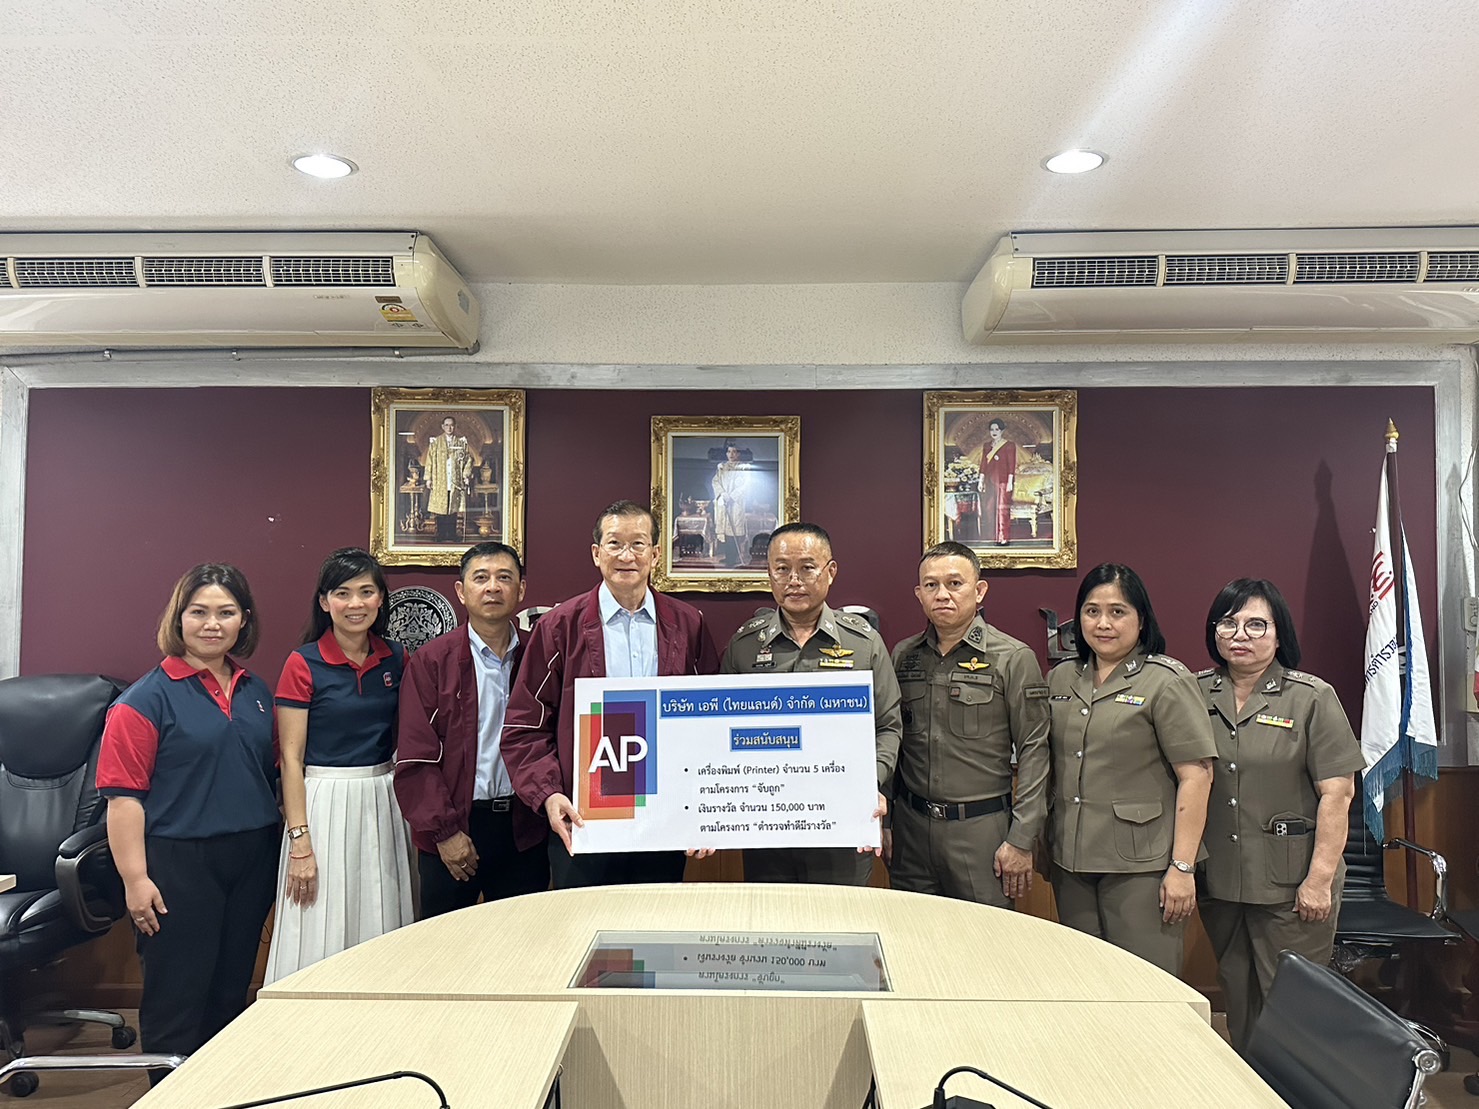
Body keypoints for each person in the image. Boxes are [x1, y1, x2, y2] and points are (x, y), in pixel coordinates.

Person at [96, 564, 278, 1070]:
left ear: (244, 620)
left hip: (251, 860)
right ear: (178, 618)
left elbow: (271, 774)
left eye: (226, 612)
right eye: (199, 612)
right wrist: (135, 880)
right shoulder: (142, 701)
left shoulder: (257, 692)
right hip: (179, 865)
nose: (212, 624)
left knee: (229, 992)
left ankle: (217, 1091)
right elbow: (123, 800)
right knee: (177, 997)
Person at [502, 500, 719, 887]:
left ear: (655, 554)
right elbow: (525, 726)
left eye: (638, 544)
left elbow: (709, 722)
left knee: (655, 922)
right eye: (615, 543)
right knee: (584, 922)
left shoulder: (688, 624)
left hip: (664, 818)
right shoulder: (558, 627)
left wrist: (703, 805)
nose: (626, 556)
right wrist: (549, 794)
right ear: (596, 553)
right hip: (583, 820)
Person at [1197, 578, 1364, 1052]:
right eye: (1228, 623)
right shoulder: (1193, 692)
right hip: (1221, 879)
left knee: (1293, 1003)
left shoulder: (1311, 697)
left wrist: (1319, 879)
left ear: (1278, 632)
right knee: (1238, 993)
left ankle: (1298, 1087)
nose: (1240, 635)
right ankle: (1252, 1083)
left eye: (1256, 624)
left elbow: (1338, 793)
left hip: (1292, 883)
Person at [1045, 563, 1216, 975]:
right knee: (1083, 979)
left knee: (1146, 985)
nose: (1103, 623)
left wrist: (1182, 867)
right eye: (1092, 611)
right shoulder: (1061, 677)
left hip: (1142, 866)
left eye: (1117, 612)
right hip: (1072, 859)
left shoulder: (1166, 680)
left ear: (1141, 620)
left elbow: (1196, 776)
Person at [721, 522, 901, 884]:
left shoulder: (863, 643)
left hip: (842, 820)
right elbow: (719, 731)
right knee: (770, 917)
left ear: (830, 572)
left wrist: (868, 781)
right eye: (781, 568)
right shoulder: (744, 646)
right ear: (769, 573)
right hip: (766, 822)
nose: (793, 580)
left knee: (842, 917)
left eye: (807, 568)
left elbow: (887, 726)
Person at [264, 548, 414, 983]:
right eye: (343, 593)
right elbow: (291, 759)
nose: (355, 603)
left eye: (366, 592)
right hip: (322, 803)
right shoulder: (303, 663)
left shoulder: (397, 657)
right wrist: (300, 843)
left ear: (381, 599)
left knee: (381, 908)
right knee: (321, 916)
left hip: (383, 800)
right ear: (324, 601)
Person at [889, 542, 1049, 905]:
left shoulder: (1012, 657)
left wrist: (1022, 838)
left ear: (979, 591)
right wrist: (885, 823)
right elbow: (892, 741)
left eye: (954, 583)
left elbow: (1035, 751)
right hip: (912, 831)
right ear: (919, 594)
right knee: (912, 933)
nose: (942, 594)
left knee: (984, 937)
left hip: (982, 833)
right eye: (931, 585)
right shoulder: (903, 655)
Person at [396, 541, 549, 916]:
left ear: (521, 590)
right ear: (461, 591)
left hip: (525, 827)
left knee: (522, 940)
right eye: (481, 578)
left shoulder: (541, 655)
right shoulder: (432, 661)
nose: (492, 587)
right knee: (445, 945)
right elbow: (416, 755)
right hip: (454, 827)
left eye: (504, 578)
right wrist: (445, 832)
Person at [425, 415, 472, 542]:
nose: (449, 428)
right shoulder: (436, 442)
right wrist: (428, 478)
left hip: (455, 480)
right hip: (440, 479)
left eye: (451, 425)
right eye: (446, 425)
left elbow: (468, 459)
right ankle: (440, 534)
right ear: (442, 426)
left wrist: (466, 475)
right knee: (441, 508)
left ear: (455, 426)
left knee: (453, 508)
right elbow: (429, 460)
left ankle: (451, 534)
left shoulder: (461, 442)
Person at [977, 417, 1015, 546]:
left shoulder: (1009, 445)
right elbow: (983, 464)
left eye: (997, 429)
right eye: (992, 429)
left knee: (1002, 509)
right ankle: (993, 537)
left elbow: (1011, 464)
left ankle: (1003, 537)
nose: (994, 432)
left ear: (1002, 431)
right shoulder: (987, 446)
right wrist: (981, 481)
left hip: (1004, 482)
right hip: (989, 481)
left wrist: (1010, 482)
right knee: (989, 509)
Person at [711, 443, 749, 566]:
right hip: (724, 501)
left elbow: (745, 485)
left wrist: (732, 496)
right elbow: (715, 481)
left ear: (738, 454)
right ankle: (728, 557)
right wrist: (722, 494)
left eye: (734, 452)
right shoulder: (722, 467)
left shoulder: (743, 468)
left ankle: (734, 558)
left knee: (734, 529)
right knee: (726, 530)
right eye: (729, 452)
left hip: (736, 503)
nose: (731, 454)